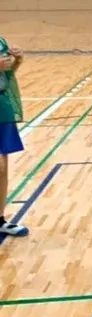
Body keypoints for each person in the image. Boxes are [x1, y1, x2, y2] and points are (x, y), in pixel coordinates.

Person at [0, 38, 27, 238]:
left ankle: (0, 220)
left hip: (2, 108)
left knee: (3, 169)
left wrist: (16, 61)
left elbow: (5, 77)